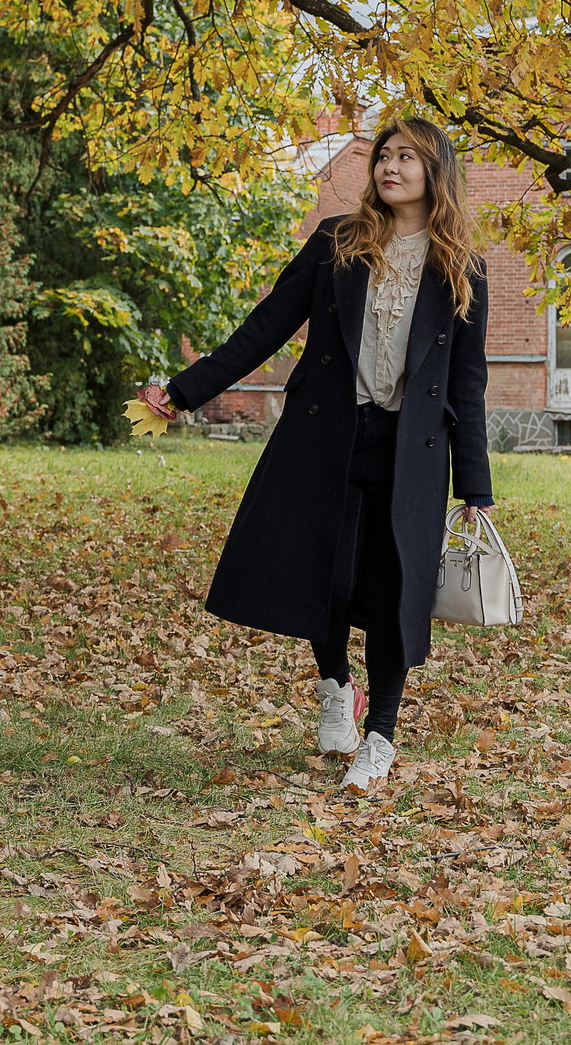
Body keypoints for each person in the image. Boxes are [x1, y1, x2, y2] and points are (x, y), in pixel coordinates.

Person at [137, 116, 492, 793]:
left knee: (394, 598)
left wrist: (475, 484)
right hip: (326, 431)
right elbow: (267, 325)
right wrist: (185, 391)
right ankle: (336, 688)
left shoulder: (460, 267)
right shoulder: (338, 241)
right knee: (320, 573)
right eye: (383, 155)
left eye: (406, 157)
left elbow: (467, 384)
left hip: (411, 452)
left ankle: (380, 739)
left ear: (435, 171)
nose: (389, 167)